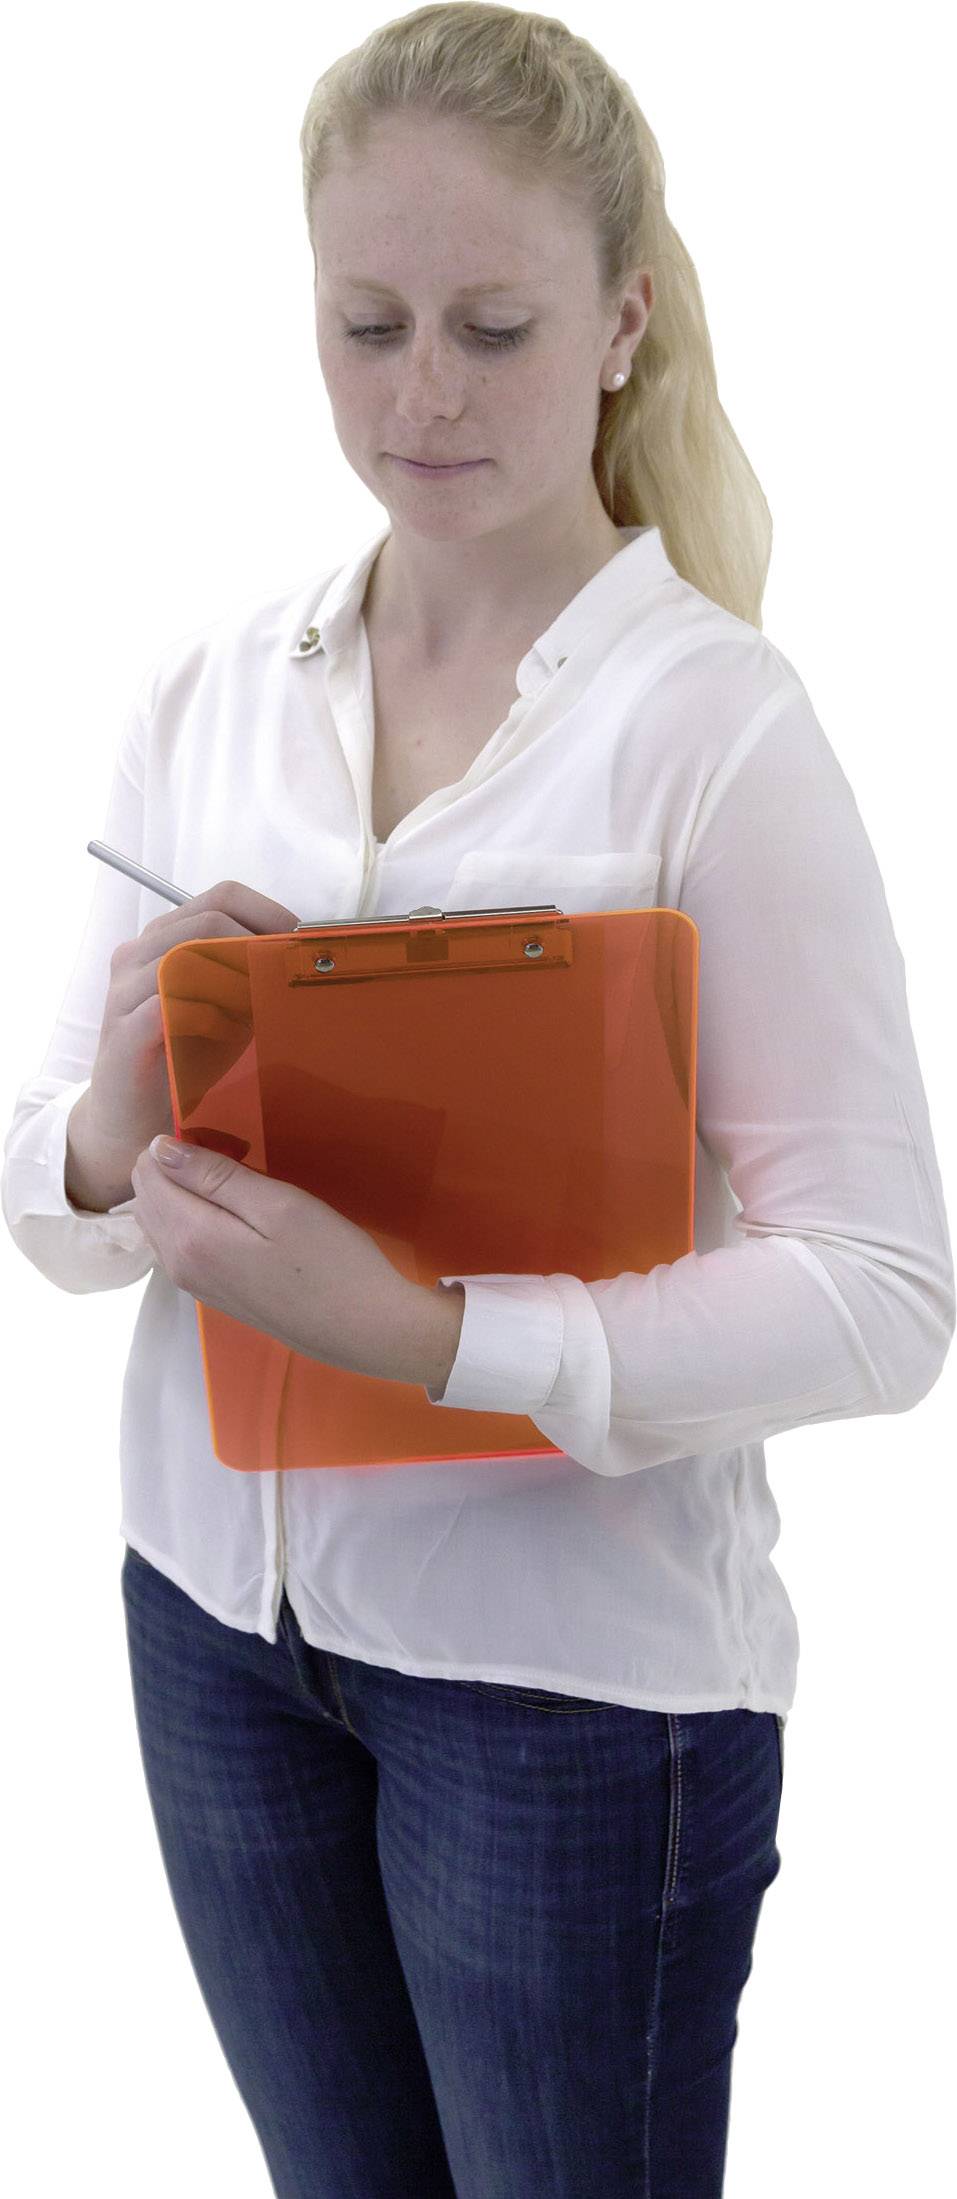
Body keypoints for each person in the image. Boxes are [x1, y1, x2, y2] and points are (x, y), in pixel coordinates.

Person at [3, 7, 954, 2196]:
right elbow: (43, 1174)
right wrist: (107, 1119)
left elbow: (882, 1290)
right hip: (210, 1632)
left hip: (566, 1701)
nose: (421, 394)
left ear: (621, 318)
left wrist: (439, 1337)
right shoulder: (208, 687)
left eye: (494, 326)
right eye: (367, 325)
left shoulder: (714, 732)